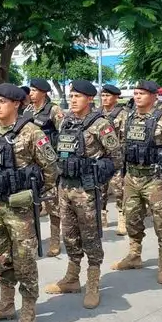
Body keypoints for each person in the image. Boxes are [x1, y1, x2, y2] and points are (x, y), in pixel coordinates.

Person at [0, 83, 57, 322]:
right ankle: (6, 303)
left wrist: (33, 196)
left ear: (16, 104)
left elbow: (52, 169)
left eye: (2, 102)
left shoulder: (31, 132)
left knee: (24, 261)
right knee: (0, 257)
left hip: (20, 209)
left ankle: (29, 310)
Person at [46, 80, 119, 307]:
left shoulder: (100, 125)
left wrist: (95, 172)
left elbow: (116, 156)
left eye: (78, 96)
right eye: (72, 95)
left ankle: (93, 282)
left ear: (89, 99)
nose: (73, 100)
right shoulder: (66, 122)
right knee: (69, 233)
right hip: (65, 186)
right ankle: (72, 277)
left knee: (90, 235)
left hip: (86, 190)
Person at [111, 80, 162, 284]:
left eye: (142, 93)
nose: (137, 96)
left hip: (154, 178)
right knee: (132, 218)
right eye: (135, 93)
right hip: (132, 176)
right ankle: (134, 255)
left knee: (161, 220)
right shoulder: (128, 117)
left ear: (154, 96)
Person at [25, 78, 65, 256]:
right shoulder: (27, 110)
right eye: (30, 90)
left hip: (48, 163)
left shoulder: (53, 110)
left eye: (34, 90)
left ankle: (55, 240)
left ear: (44, 92)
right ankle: (32, 239)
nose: (31, 93)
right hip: (30, 165)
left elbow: (63, 134)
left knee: (52, 205)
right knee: (30, 203)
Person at [99, 84, 126, 232]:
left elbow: (124, 138)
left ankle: (122, 217)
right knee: (101, 189)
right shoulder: (96, 113)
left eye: (108, 96)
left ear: (116, 97)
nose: (104, 98)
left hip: (116, 158)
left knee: (119, 190)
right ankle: (102, 217)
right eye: (103, 95)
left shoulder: (123, 114)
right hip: (101, 158)